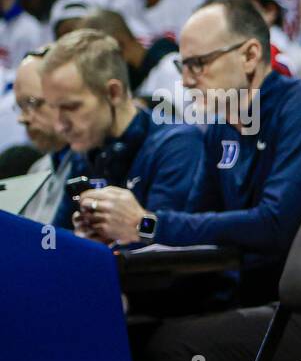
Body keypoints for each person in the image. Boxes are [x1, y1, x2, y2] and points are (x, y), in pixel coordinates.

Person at [78, 0, 301, 306]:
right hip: (247, 298)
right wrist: (116, 235)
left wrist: (144, 224)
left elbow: (275, 226)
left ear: (250, 55)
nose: (185, 81)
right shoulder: (220, 130)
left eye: (199, 64)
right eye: (182, 66)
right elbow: (195, 228)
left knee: (157, 345)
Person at [41, 29, 202, 235]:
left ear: (113, 93)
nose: (59, 126)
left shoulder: (177, 145)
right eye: (54, 108)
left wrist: (131, 229)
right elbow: (55, 241)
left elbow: (167, 241)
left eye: (71, 108)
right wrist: (79, 243)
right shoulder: (86, 151)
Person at [13, 48, 76, 226]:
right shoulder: (38, 169)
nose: (22, 118)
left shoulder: (98, 165)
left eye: (32, 103)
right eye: (20, 106)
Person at [73, 8, 183, 102]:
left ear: (118, 43)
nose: (97, 67)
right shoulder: (140, 80)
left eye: (98, 57)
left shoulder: (170, 68)